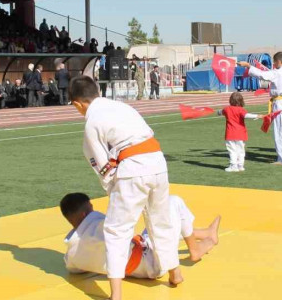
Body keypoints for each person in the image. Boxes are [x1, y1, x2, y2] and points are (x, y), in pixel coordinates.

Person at [68, 76, 183, 299]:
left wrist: (112, 186)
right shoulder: (121, 106)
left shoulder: (92, 122)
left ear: (77, 103)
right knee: (161, 221)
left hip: (133, 169)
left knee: (116, 230)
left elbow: (100, 164)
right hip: (158, 162)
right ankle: (175, 272)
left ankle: (116, 294)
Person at [60, 193, 220, 279]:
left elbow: (74, 270)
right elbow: (124, 221)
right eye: (91, 208)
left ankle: (205, 233)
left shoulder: (72, 255)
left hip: (139, 263)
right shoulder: (102, 227)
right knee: (173, 202)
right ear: (84, 213)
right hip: (153, 262)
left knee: (158, 229)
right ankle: (196, 249)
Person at [239, 52, 282, 165]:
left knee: (280, 132)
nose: (274, 64)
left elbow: (262, 75)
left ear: (278, 62)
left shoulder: (277, 73)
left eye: (274, 62)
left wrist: (248, 66)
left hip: (281, 104)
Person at [216, 92, 260, 172]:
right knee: (241, 150)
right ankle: (240, 165)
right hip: (241, 133)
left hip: (230, 133)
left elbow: (220, 112)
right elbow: (246, 115)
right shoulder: (241, 110)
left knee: (232, 150)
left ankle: (233, 166)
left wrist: (218, 112)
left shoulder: (227, 109)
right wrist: (257, 115)